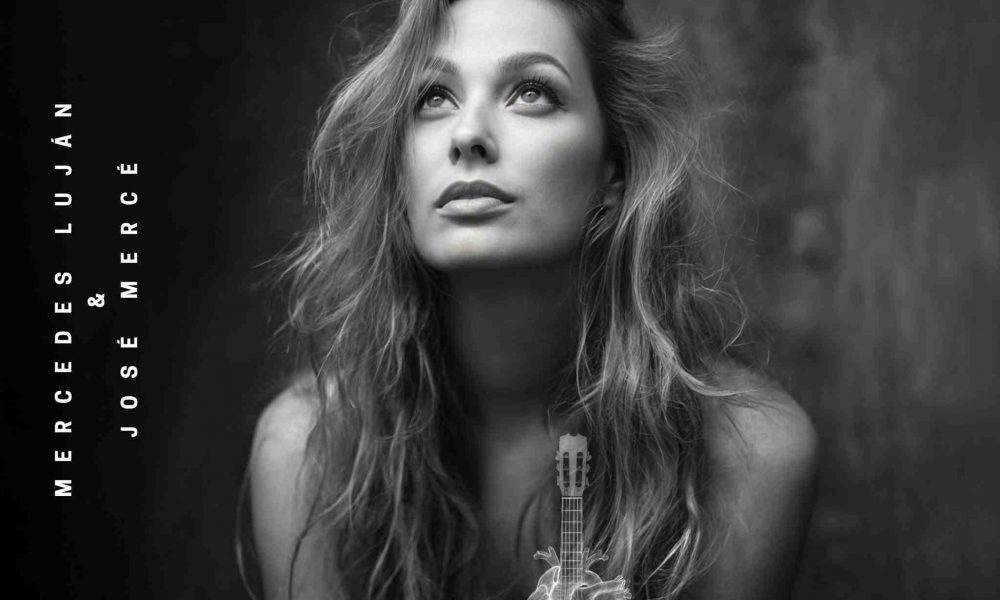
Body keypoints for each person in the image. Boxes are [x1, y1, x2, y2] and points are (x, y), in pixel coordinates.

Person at [240, 0, 820, 598]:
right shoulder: (306, 452)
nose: (468, 134)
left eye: (531, 92)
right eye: (433, 97)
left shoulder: (751, 457)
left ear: (614, 167)